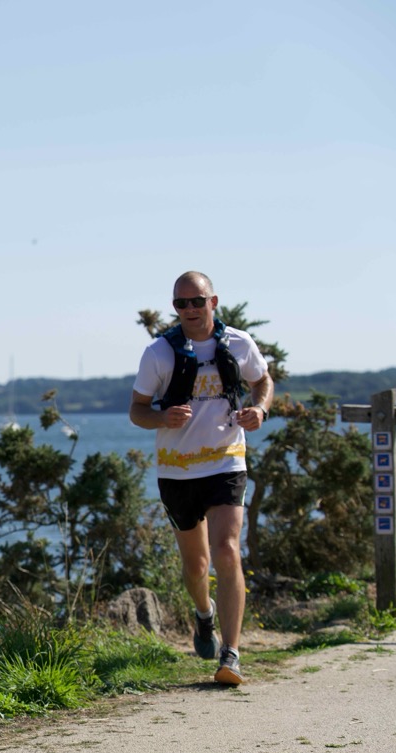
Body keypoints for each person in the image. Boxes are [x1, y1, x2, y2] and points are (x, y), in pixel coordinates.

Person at [130, 271, 273, 686]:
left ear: (213, 302)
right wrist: (162, 417)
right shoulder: (159, 353)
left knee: (227, 551)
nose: (190, 309)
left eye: (197, 301)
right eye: (182, 303)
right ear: (175, 308)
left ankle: (232, 654)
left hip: (227, 461)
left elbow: (262, 380)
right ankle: (203, 613)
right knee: (196, 565)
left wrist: (259, 409)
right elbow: (137, 410)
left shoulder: (239, 343)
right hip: (177, 469)